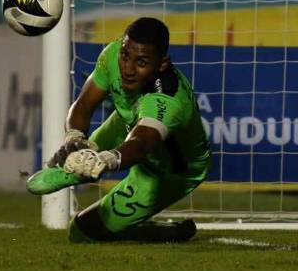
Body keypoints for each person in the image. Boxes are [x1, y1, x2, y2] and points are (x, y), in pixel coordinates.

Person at [30, 17, 209, 243]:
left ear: (162, 64)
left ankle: (167, 233)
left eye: (141, 62)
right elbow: (84, 104)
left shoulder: (169, 99)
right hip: (126, 122)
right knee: (81, 154)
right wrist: (74, 137)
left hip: (169, 170)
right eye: (126, 56)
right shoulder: (113, 54)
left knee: (82, 231)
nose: (128, 69)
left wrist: (109, 159)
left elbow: (140, 144)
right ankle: (73, 168)